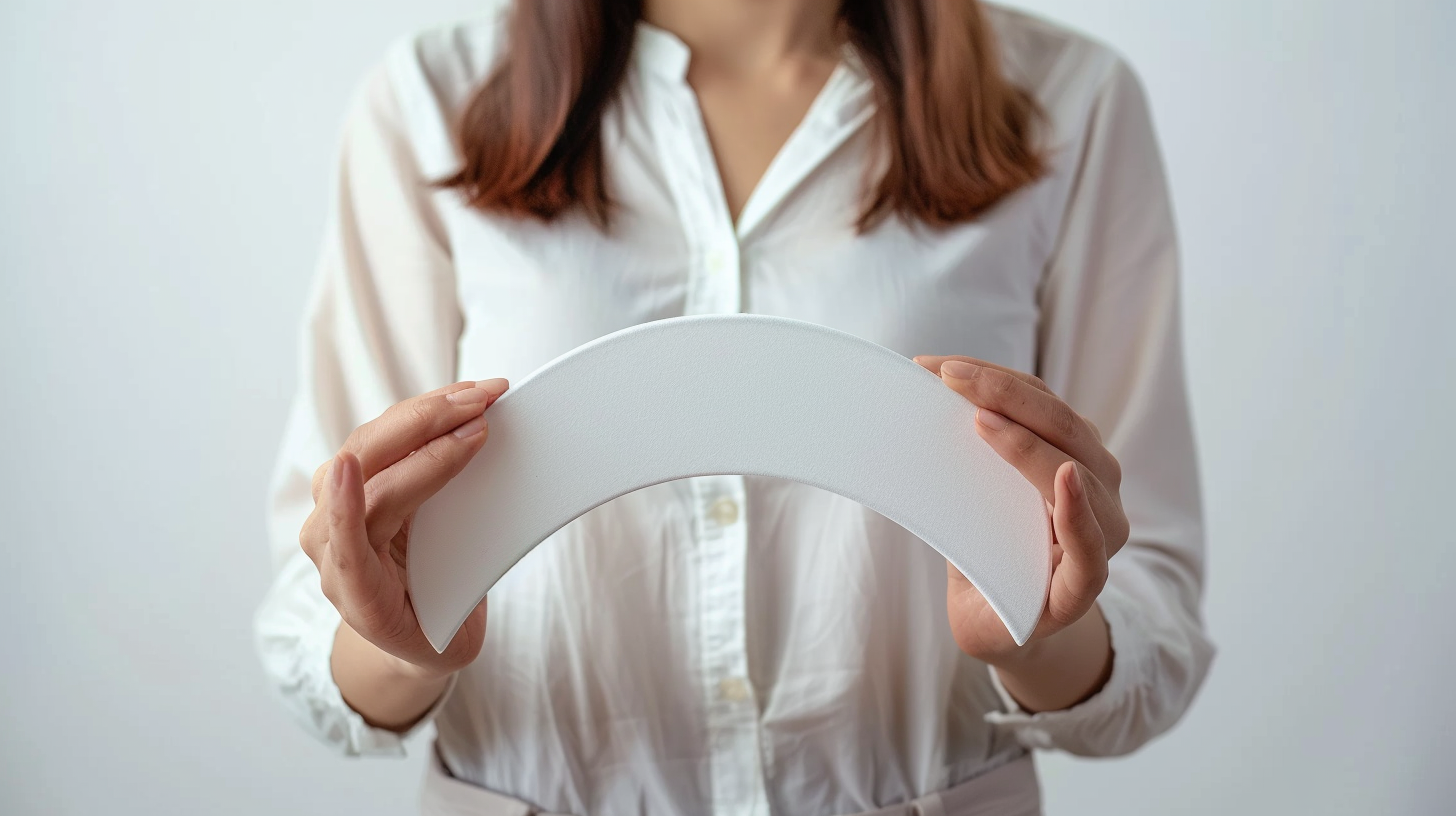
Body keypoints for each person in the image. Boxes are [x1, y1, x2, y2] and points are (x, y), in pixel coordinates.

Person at [254, 0, 1215, 813]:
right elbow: (314, 609)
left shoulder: (1067, 100)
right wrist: (398, 642)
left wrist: (1043, 632)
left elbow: (1151, 614)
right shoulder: (429, 100)